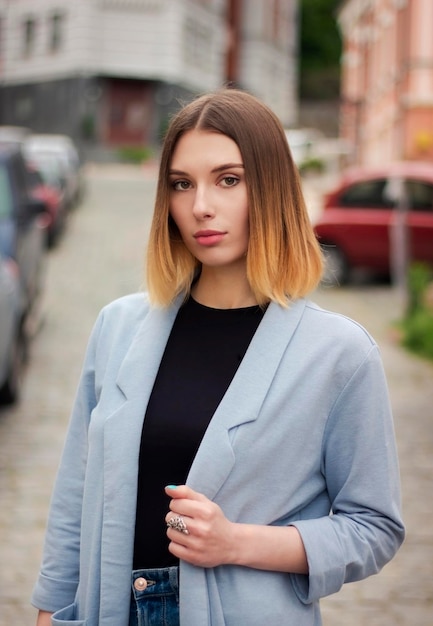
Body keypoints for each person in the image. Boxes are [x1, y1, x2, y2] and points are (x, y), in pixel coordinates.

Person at [32, 88, 404, 626]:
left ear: (272, 188)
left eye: (228, 180)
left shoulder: (339, 355)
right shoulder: (118, 327)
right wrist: (50, 611)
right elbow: (75, 494)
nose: (200, 205)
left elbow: (374, 528)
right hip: (107, 610)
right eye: (182, 184)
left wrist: (237, 543)